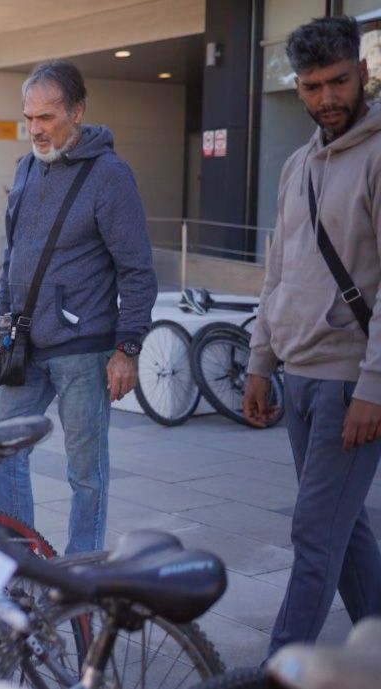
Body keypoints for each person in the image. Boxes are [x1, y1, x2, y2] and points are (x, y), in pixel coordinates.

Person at [244, 16, 381, 656]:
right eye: (312, 86)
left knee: (315, 536)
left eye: (338, 82)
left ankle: (278, 666)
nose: (327, 98)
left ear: (362, 73)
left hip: (349, 382)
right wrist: (259, 363)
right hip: (296, 376)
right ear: (296, 88)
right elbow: (279, 269)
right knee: (342, 527)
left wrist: (373, 389)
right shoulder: (296, 164)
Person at [0, 60, 156, 555]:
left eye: (47, 117)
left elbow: (137, 270)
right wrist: (1, 319)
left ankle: (81, 571)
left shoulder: (110, 176)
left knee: (85, 471)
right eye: (28, 117)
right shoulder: (25, 168)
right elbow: (13, 255)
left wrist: (127, 347)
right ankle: (24, 559)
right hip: (25, 347)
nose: (36, 128)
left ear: (77, 111)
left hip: (84, 352)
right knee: (1, 451)